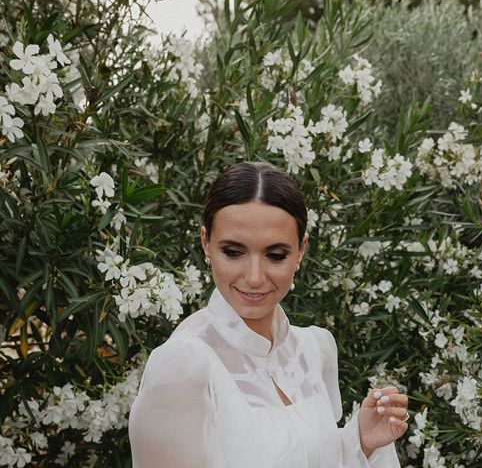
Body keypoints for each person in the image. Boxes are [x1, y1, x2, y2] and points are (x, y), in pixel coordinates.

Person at [128, 161, 408, 467]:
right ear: (205, 242)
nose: (255, 277)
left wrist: (360, 444)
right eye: (233, 252)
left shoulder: (315, 349)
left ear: (301, 250)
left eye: (275, 255)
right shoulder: (184, 367)